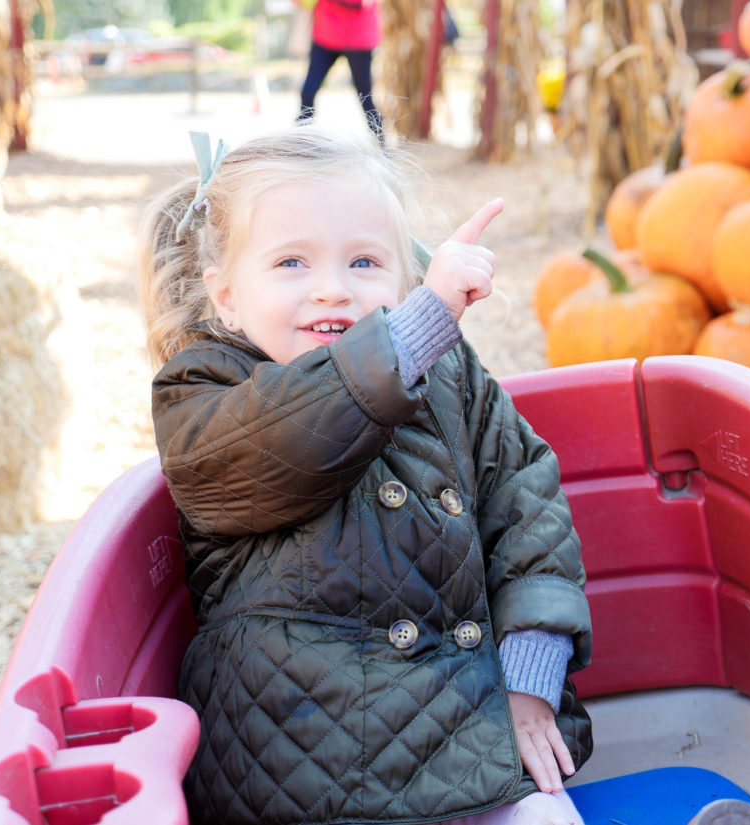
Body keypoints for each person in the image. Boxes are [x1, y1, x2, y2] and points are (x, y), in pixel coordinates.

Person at [138, 123, 593, 825]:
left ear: (406, 279)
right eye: (292, 263)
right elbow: (291, 435)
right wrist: (412, 333)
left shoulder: (450, 375)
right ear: (225, 295)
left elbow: (526, 502)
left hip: (465, 724)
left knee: (547, 817)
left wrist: (530, 674)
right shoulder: (203, 393)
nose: (331, 291)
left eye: (364, 262)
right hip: (300, 760)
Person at [294, 0, 384, 141]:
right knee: (308, 92)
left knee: (366, 99)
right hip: (326, 36)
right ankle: (300, 143)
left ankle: (381, 149)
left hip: (359, 39)